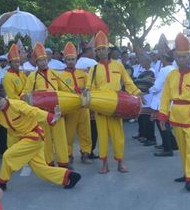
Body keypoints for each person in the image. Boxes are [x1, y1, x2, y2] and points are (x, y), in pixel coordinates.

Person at [0, 84, 81, 190]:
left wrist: (50, 117)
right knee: (40, 169)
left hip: (33, 136)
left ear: (5, 96)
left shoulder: (17, 105)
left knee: (8, 155)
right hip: (24, 139)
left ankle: (2, 183)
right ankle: (69, 176)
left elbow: (33, 111)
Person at [157, 33, 190, 192]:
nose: (181, 59)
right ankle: (186, 173)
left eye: (184, 57)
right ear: (175, 57)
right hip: (176, 116)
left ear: (189, 57)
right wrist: (163, 115)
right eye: (179, 57)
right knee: (182, 148)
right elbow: (165, 97)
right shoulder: (171, 76)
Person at [85, 31, 142, 174]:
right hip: (101, 107)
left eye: (103, 49)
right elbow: (89, 88)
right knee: (102, 137)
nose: (100, 52)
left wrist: (137, 93)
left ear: (108, 50)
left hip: (117, 105)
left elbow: (128, 82)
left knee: (118, 136)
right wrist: (87, 95)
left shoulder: (118, 65)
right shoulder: (93, 68)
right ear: (96, 52)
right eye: (98, 50)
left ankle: (120, 163)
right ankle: (104, 164)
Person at [23, 42, 71, 168]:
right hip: (42, 113)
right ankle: (48, 163)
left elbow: (64, 91)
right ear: (36, 62)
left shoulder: (55, 74)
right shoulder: (32, 77)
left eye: (44, 60)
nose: (43, 63)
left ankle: (64, 163)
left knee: (60, 137)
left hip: (56, 111)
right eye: (40, 60)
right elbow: (25, 94)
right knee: (46, 138)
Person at [59, 42, 93, 164]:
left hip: (83, 108)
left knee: (85, 132)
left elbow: (89, 87)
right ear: (65, 60)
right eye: (68, 59)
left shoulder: (83, 73)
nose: (71, 61)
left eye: (73, 59)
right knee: (69, 134)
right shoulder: (60, 76)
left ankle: (85, 152)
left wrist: (85, 90)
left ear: (76, 60)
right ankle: (68, 154)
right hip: (70, 109)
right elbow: (60, 93)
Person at [151, 50, 178, 157]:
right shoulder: (174, 69)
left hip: (161, 101)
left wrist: (149, 88)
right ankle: (173, 144)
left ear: (164, 59)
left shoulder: (164, 70)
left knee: (162, 124)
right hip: (169, 101)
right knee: (166, 124)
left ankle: (167, 148)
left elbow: (156, 87)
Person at [133, 52, 156, 146]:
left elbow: (144, 83)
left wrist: (136, 82)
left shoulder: (151, 71)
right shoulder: (142, 70)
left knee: (148, 119)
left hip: (148, 97)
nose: (141, 63)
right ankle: (143, 135)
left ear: (148, 62)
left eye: (143, 61)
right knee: (141, 118)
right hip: (141, 96)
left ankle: (151, 138)